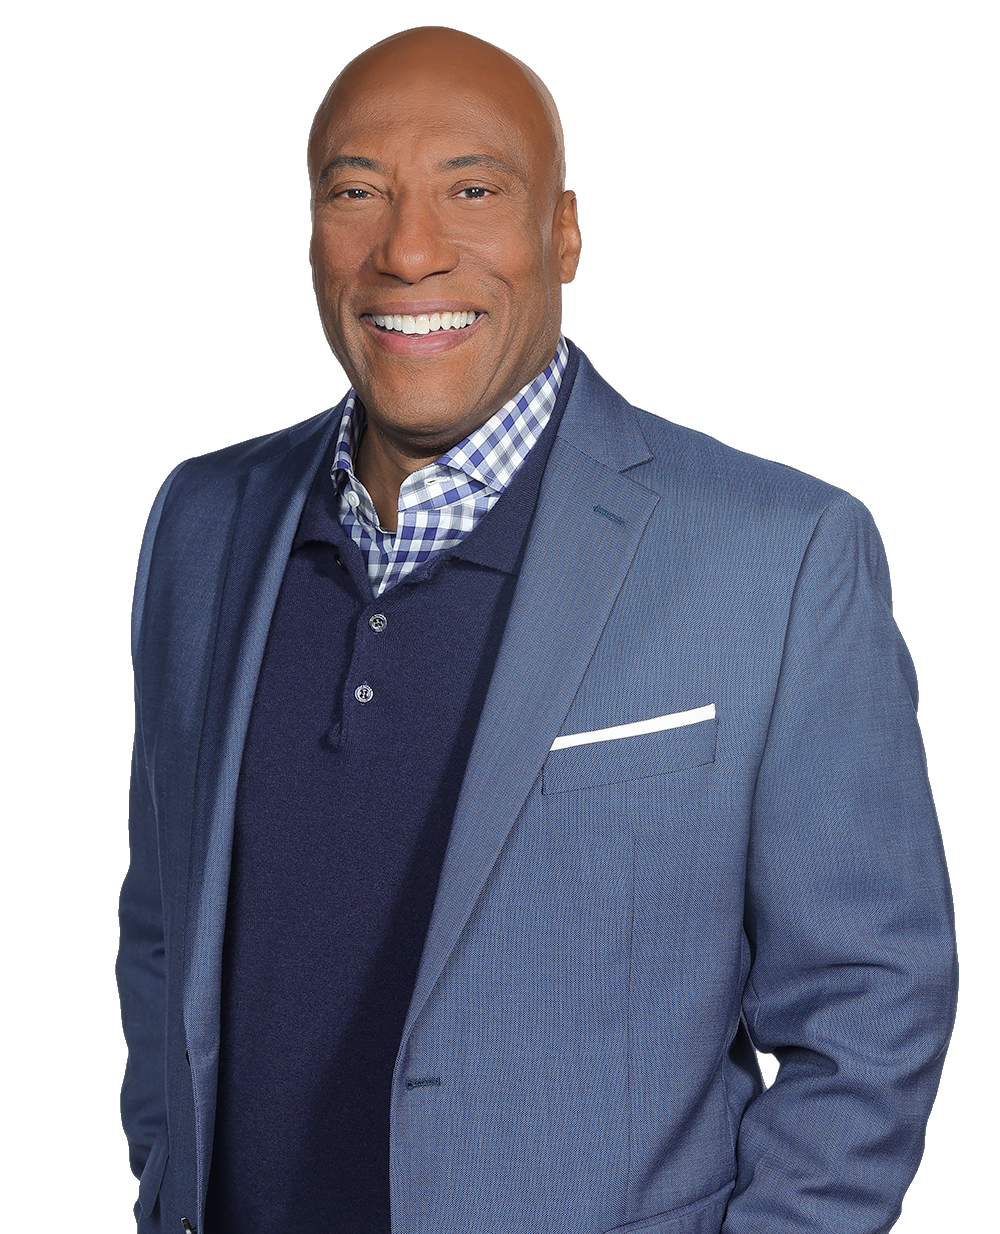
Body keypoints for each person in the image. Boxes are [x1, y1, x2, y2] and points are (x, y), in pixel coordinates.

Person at [118, 25, 957, 1234]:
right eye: (357, 193)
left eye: (472, 190)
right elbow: (162, 927)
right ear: (310, 233)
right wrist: (164, 1172)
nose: (409, 249)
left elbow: (870, 1001)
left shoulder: (781, 555)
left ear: (563, 231)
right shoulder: (200, 522)